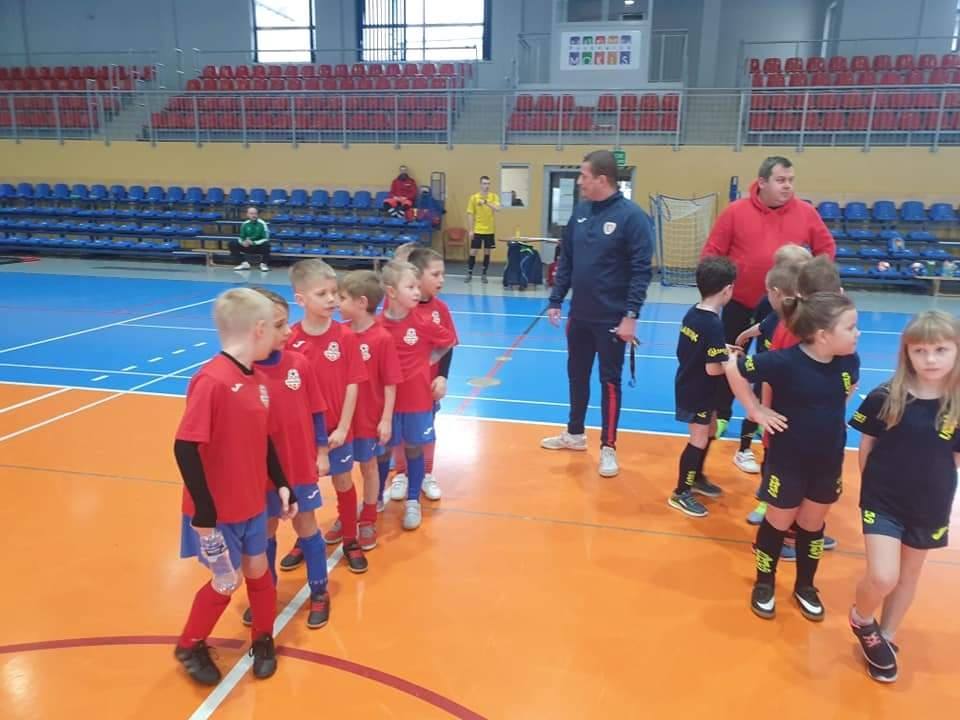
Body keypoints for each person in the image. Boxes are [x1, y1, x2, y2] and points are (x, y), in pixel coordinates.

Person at [173, 288, 294, 685]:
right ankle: (189, 644)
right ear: (258, 329)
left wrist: (281, 482)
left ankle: (263, 638)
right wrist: (205, 510)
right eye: (275, 327)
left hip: (251, 503)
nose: (282, 334)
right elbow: (185, 446)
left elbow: (265, 438)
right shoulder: (212, 381)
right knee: (227, 581)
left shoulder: (256, 378)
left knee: (259, 571)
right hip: (218, 512)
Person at [725, 292, 859, 622]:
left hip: (827, 462)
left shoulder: (849, 361)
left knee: (812, 526)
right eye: (851, 327)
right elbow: (733, 367)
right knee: (778, 522)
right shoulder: (783, 362)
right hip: (788, 461)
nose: (858, 333)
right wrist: (755, 409)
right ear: (823, 335)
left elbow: (846, 391)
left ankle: (805, 586)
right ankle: (764, 583)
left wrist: (830, 417)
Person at [848, 311, 960, 683]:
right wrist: (871, 490)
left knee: (908, 576)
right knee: (883, 576)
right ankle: (862, 619)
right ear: (907, 353)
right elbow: (867, 445)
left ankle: (885, 635)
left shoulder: (957, 404)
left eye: (940, 350)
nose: (930, 359)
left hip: (930, 504)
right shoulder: (886, 395)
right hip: (883, 500)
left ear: (956, 351)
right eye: (920, 350)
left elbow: (953, 459)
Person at [702, 156, 835, 438]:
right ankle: (721, 415)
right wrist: (714, 295)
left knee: (772, 369)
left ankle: (761, 424)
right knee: (728, 360)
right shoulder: (735, 211)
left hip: (783, 310)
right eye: (781, 180)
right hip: (738, 303)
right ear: (762, 182)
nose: (788, 186)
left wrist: (815, 286)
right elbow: (712, 253)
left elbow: (826, 250)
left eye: (791, 180)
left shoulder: (806, 212)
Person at [540, 150, 654, 478]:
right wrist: (556, 299)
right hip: (580, 316)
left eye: (584, 176)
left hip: (612, 319)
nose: (579, 182)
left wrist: (631, 315)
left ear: (602, 179)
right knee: (576, 375)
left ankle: (608, 446)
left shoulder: (632, 218)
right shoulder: (580, 213)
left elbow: (641, 271)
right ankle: (575, 434)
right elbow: (567, 260)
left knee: (609, 382)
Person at [237, 288, 332, 631]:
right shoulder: (242, 372)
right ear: (257, 329)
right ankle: (267, 592)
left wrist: (322, 451)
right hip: (261, 474)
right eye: (279, 325)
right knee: (265, 531)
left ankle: (319, 591)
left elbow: (317, 410)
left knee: (307, 526)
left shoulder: (299, 364)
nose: (289, 331)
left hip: (298, 467)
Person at [277, 259, 369, 574]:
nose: (331, 299)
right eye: (322, 294)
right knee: (304, 488)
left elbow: (354, 383)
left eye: (334, 292)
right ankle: (306, 538)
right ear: (300, 299)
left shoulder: (345, 336)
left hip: (337, 430)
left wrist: (343, 427)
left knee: (343, 481)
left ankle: (351, 539)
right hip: (302, 435)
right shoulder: (289, 339)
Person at [379, 261, 456, 530]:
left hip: (417, 401)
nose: (416, 292)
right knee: (383, 450)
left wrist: (427, 362)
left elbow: (449, 340)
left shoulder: (423, 322)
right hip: (386, 404)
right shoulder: (377, 326)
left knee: (414, 447)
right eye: (410, 287)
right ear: (391, 292)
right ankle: (375, 498)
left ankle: (413, 500)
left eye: (416, 286)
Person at [334, 270, 401, 550]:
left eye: (342, 298)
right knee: (341, 471)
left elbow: (390, 382)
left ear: (361, 302)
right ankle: (346, 515)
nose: (336, 302)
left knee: (369, 467)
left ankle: (368, 518)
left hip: (368, 418)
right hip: (342, 419)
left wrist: (386, 419)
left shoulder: (381, 338)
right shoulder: (339, 334)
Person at [732, 243, 811, 476]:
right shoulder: (772, 304)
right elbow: (765, 324)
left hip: (787, 374)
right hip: (767, 364)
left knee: (778, 411)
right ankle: (744, 449)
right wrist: (745, 335)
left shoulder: (805, 310)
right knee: (757, 404)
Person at [668, 256, 737, 518]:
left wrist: (722, 349)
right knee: (698, 439)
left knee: (709, 430)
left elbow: (693, 348)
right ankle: (681, 492)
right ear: (727, 289)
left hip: (691, 383)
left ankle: (696, 477)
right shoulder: (713, 324)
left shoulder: (693, 313)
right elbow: (712, 368)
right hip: (698, 389)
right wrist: (731, 362)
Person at [465, 175, 501, 283]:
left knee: (487, 252)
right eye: (485, 183)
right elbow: (470, 214)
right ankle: (469, 273)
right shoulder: (474, 197)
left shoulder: (494, 196)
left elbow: (498, 208)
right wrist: (471, 230)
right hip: (478, 229)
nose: (487, 186)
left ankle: (484, 274)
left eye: (488, 183)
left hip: (489, 230)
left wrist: (486, 202)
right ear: (480, 184)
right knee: (473, 251)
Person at [231, 206, 271, 272]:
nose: (254, 215)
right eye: (251, 213)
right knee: (232, 244)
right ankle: (244, 264)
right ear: (247, 214)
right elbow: (241, 237)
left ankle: (263, 264)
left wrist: (254, 242)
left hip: (258, 246)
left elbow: (266, 238)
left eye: (255, 213)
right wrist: (243, 242)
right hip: (247, 246)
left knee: (267, 245)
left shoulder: (262, 223)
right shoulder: (245, 224)